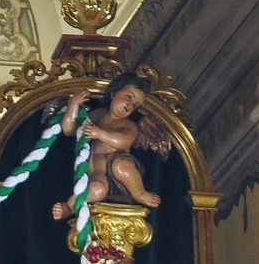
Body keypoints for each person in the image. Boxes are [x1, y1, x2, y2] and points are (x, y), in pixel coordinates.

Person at [48, 81, 170, 219]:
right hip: (97, 171)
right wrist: (74, 104)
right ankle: (70, 207)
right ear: (113, 94)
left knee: (122, 166)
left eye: (135, 105)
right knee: (97, 189)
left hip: (118, 167)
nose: (130, 105)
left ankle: (139, 193)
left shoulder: (129, 125)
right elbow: (68, 129)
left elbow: (124, 141)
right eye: (129, 97)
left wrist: (101, 134)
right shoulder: (97, 117)